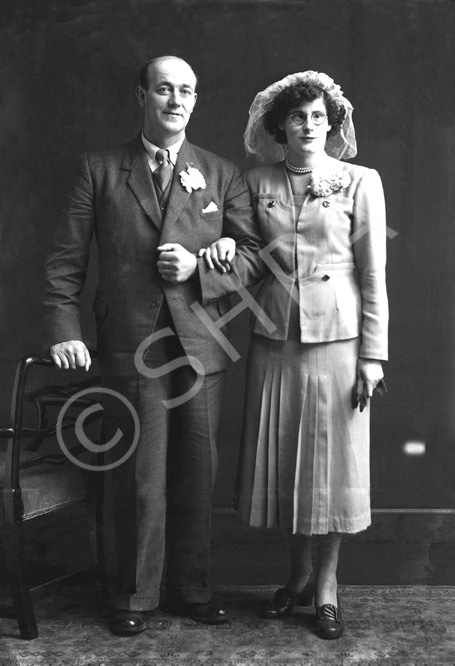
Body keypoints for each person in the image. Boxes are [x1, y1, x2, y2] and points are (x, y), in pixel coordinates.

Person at [43, 55, 264, 635]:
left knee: (197, 468)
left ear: (196, 99)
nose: (175, 100)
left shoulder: (221, 174)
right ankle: (133, 595)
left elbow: (254, 259)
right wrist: (66, 333)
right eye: (163, 89)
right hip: (130, 341)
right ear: (141, 95)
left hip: (200, 344)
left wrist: (199, 269)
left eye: (186, 90)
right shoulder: (100, 168)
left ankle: (192, 588)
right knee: (138, 474)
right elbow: (66, 262)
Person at [201, 70, 388, 639]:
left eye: (318, 117)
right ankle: (297, 576)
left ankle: (327, 586)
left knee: (332, 469)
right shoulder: (256, 181)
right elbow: (254, 259)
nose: (309, 125)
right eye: (298, 116)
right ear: (279, 126)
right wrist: (226, 247)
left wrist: (373, 356)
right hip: (276, 339)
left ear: (332, 125)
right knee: (289, 464)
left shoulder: (360, 180)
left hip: (339, 341)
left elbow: (374, 272)